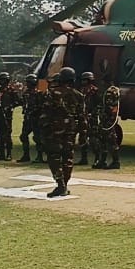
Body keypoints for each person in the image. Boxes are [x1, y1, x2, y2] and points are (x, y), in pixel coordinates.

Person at [37, 66, 86, 197]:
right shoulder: (78, 95)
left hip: (54, 131)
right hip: (70, 131)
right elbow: (82, 117)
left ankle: (60, 185)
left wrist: (42, 130)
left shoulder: (53, 93)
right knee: (68, 158)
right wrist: (83, 133)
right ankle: (64, 184)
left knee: (54, 157)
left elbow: (45, 113)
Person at [0, 72, 21, 161]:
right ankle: (1, 154)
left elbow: (18, 101)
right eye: (1, 80)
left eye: (3, 80)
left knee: (7, 135)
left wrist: (10, 107)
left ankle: (8, 153)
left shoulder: (11, 91)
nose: (2, 82)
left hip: (6, 116)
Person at [78, 71, 103, 168]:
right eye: (83, 79)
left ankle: (97, 157)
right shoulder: (81, 90)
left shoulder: (95, 91)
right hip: (83, 117)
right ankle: (84, 158)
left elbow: (99, 105)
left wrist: (93, 113)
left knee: (93, 139)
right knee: (82, 138)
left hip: (92, 118)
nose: (84, 81)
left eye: (86, 79)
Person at [17, 73, 43, 163]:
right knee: (23, 136)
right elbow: (23, 103)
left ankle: (40, 157)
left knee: (37, 138)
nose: (27, 84)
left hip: (36, 119)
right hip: (27, 118)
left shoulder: (38, 94)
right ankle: (26, 155)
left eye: (28, 82)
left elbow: (40, 106)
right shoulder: (26, 93)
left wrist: (34, 111)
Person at [100, 78, 122, 169]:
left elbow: (108, 107)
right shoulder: (115, 91)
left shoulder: (109, 92)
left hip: (108, 120)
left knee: (111, 140)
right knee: (104, 140)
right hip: (110, 119)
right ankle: (103, 161)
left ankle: (115, 161)